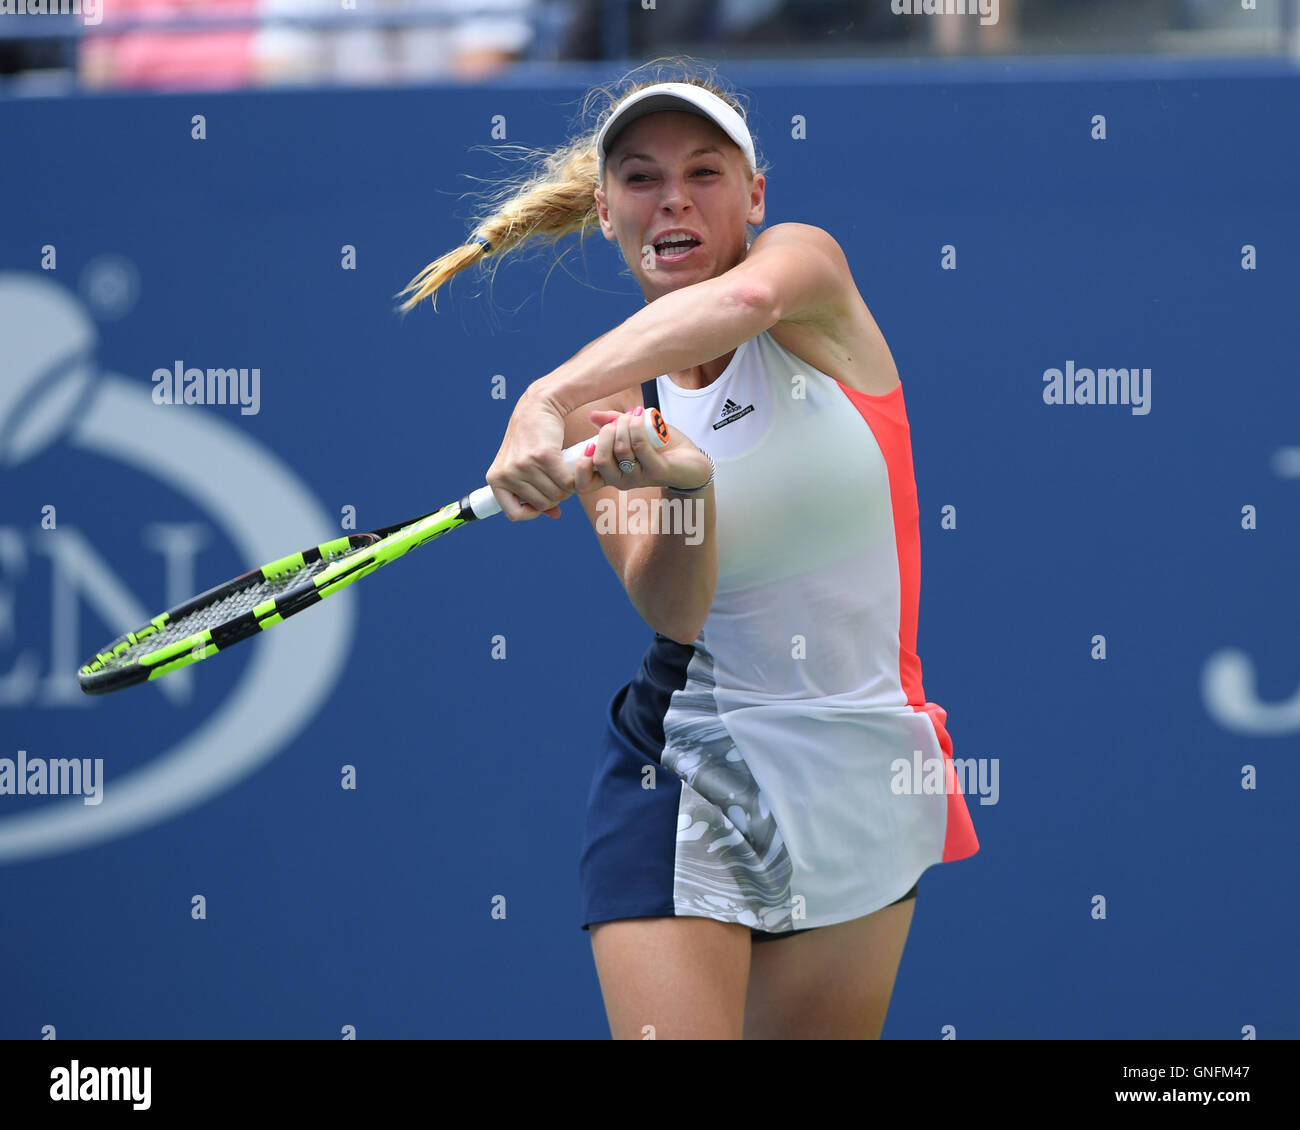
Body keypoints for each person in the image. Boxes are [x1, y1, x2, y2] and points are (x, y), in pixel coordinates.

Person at [398, 60, 980, 1040]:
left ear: (754, 195)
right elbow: (672, 607)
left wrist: (537, 396)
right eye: (639, 176)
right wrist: (685, 492)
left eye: (704, 172)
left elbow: (741, 304)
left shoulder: (804, 270)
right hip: (689, 753)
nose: (672, 197)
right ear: (605, 210)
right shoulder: (608, 410)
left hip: (863, 760)